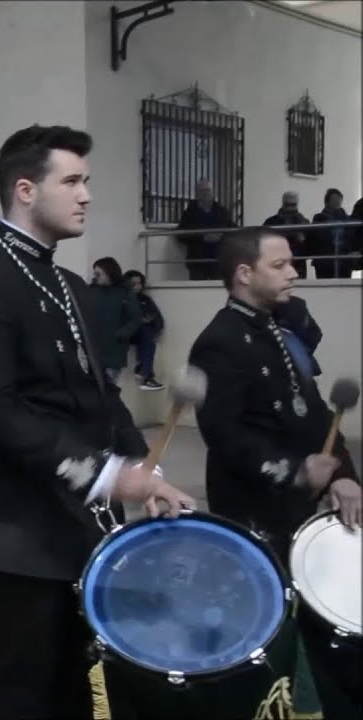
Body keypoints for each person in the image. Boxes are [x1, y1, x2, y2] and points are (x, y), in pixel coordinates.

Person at [0, 125, 195, 720]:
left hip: (73, 518)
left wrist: (141, 468)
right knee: (24, 688)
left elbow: (97, 393)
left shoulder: (67, 283)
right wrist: (104, 473)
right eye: (72, 181)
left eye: (86, 181)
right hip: (13, 529)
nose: (85, 195)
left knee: (81, 681)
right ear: (25, 190)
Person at [189, 227, 360, 720]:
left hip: (302, 512)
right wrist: (294, 471)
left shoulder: (279, 331)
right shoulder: (219, 342)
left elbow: (315, 419)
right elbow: (224, 436)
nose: (294, 272)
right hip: (256, 518)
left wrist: (341, 474)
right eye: (281, 264)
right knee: (280, 643)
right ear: (244, 274)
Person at [87, 257, 140, 385]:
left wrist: (120, 335)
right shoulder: (90, 290)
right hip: (92, 351)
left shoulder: (125, 292)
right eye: (94, 274)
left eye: (98, 274)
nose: (95, 277)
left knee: (108, 391)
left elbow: (135, 318)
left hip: (113, 352)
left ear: (109, 273)